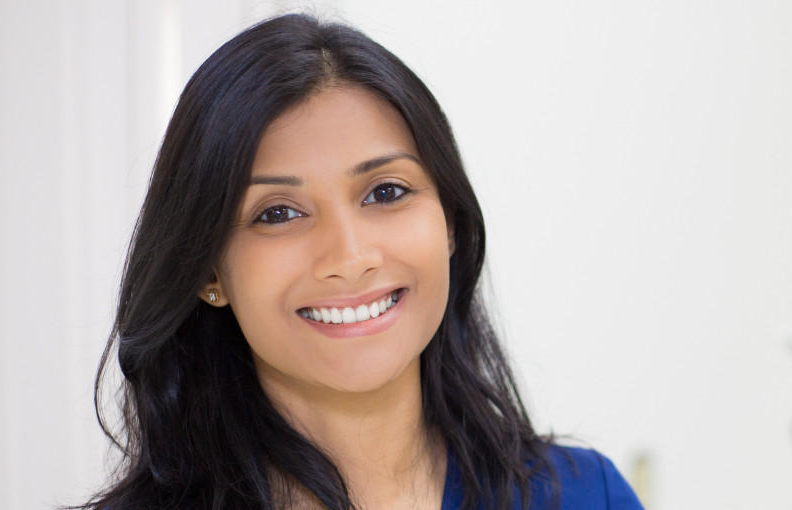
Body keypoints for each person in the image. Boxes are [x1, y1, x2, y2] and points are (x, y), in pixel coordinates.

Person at [77, 13, 643, 510]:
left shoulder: (587, 496)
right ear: (207, 270)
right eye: (278, 213)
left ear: (448, 222)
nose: (349, 258)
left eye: (386, 192)